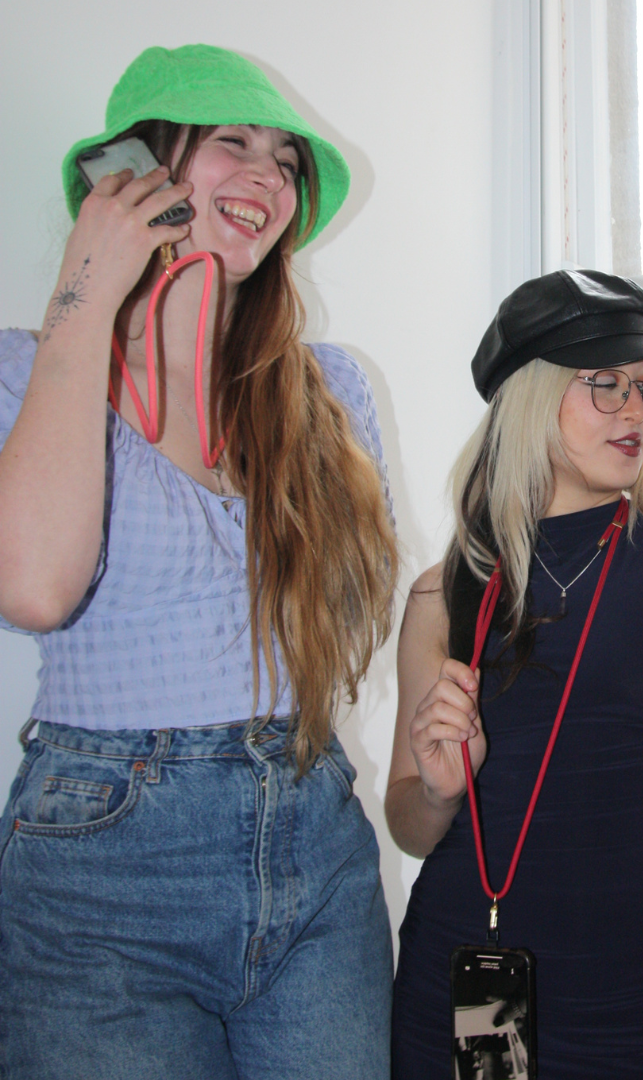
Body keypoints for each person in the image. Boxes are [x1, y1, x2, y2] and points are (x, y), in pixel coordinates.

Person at [0, 45, 397, 1079]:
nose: (268, 179)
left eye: (285, 163)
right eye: (233, 147)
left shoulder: (333, 392)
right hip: (105, 872)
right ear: (135, 170)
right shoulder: (21, 375)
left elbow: (348, 625)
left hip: (316, 844)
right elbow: (35, 587)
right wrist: (87, 290)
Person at [386, 269, 643, 1078]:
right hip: (467, 987)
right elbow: (408, 823)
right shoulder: (445, 594)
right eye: (604, 385)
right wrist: (439, 788)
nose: (636, 411)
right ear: (528, 398)